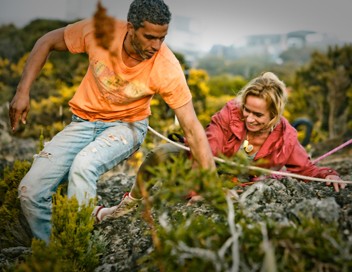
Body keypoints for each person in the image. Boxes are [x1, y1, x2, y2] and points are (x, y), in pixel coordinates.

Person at [8, 0, 215, 243]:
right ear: (130, 27)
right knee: (29, 191)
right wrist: (22, 92)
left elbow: (191, 126)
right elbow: (47, 41)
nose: (156, 45)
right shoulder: (99, 31)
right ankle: (56, 251)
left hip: (127, 127)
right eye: (149, 37)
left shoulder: (166, 67)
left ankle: (77, 244)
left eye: (162, 38)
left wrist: (212, 188)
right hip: (83, 122)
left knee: (84, 166)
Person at [94, 71, 346, 222]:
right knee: (159, 154)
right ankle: (130, 202)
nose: (249, 118)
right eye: (247, 110)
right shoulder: (229, 114)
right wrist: (203, 191)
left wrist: (328, 174)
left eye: (258, 115)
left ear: (274, 115)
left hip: (237, 183)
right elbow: (206, 150)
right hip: (205, 170)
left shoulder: (286, 137)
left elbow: (305, 168)